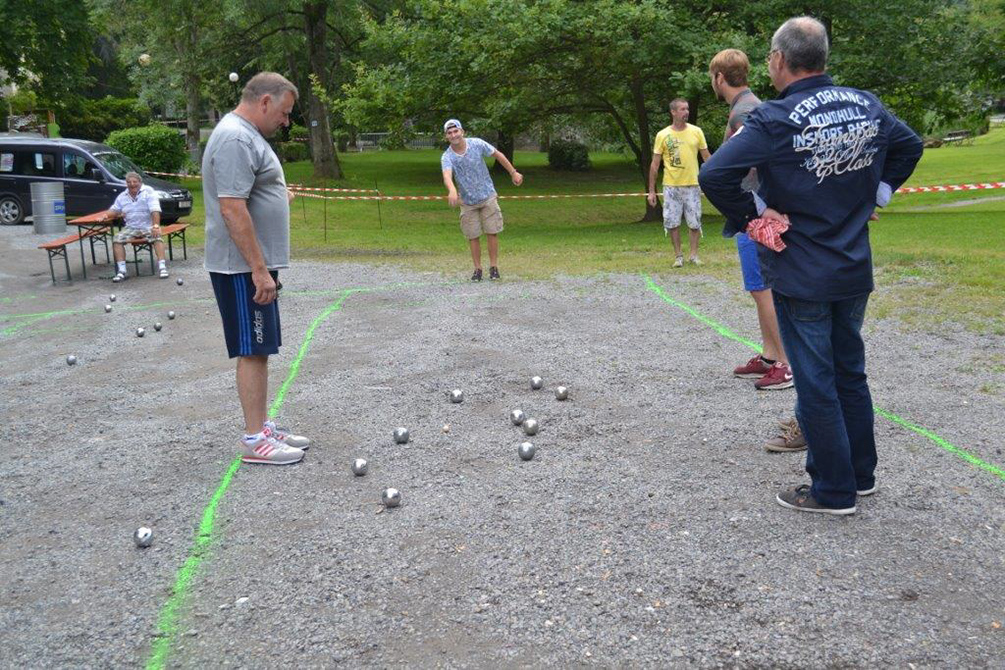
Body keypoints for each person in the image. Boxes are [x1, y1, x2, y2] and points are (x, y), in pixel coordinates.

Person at [699, 17, 923, 514]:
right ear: (821, 57)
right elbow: (909, 145)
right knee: (849, 373)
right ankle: (860, 476)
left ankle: (833, 489)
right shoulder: (865, 103)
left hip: (801, 269)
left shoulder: (775, 118)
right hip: (852, 264)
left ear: (779, 61)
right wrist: (878, 193)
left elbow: (714, 174)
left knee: (817, 380)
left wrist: (754, 215)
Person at [202, 71, 311, 466]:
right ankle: (254, 440)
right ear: (264, 102)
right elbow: (231, 207)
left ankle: (262, 426)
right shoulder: (235, 137)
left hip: (251, 265)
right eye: (284, 112)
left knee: (260, 349)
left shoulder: (245, 136)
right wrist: (259, 271)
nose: (285, 121)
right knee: (252, 349)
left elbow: (248, 194)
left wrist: (277, 197)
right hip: (241, 269)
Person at [709, 48, 795, 393]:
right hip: (753, 210)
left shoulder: (744, 110)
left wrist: (753, 206)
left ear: (719, 78)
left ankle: (786, 364)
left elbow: (756, 157)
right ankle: (770, 355)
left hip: (756, 212)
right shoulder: (747, 105)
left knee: (763, 289)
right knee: (757, 287)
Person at [441, 119, 523, 281]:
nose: (453, 135)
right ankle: (477, 269)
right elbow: (447, 175)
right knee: (473, 235)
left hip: (487, 196)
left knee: (492, 232)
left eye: (456, 131)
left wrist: (513, 172)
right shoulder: (447, 156)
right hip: (467, 202)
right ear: (446, 136)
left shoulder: (477, 144)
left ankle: (494, 267)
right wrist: (452, 190)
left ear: (462, 132)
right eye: (450, 133)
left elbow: (498, 155)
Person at [648, 99, 711, 267]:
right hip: (671, 185)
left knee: (694, 221)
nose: (686, 112)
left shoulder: (696, 132)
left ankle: (694, 255)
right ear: (673, 112)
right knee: (672, 221)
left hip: (692, 184)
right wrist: (651, 191)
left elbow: (707, 158)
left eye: (687, 109)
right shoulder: (663, 135)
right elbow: (655, 164)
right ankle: (678, 256)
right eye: (682, 109)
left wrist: (713, 180)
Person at [99, 172, 169, 281]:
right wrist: (105, 215)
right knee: (117, 239)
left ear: (140, 182)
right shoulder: (122, 196)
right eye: (129, 182)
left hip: (147, 226)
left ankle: (162, 267)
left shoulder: (148, 192)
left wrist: (155, 225)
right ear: (126, 184)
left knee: (157, 237)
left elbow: (155, 210)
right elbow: (115, 210)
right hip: (131, 227)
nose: (132, 184)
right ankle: (122, 271)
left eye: (134, 182)